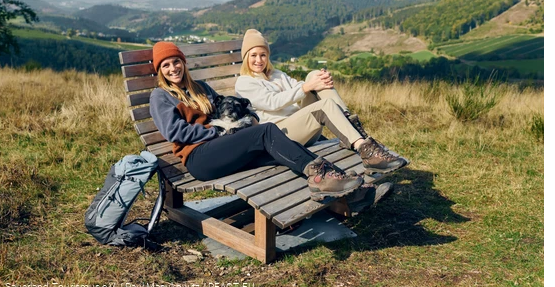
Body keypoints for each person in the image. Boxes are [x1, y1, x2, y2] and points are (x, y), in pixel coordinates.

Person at [148, 41, 365, 202]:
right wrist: (216, 132)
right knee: (266, 131)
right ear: (160, 71)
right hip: (200, 157)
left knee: (283, 151)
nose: (173, 68)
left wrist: (250, 117)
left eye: (176, 62)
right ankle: (325, 177)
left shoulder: (202, 88)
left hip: (225, 149)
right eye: (166, 65)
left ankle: (338, 183)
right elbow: (174, 132)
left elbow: (233, 107)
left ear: (183, 63)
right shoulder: (161, 96)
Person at [234, 29, 409, 176]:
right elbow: (273, 102)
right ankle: (364, 147)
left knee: (314, 75)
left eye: (263, 55)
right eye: (254, 55)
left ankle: (354, 131)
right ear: (246, 58)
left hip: (303, 128)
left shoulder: (277, 74)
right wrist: (307, 87)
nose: (259, 60)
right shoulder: (245, 82)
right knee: (322, 104)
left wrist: (319, 81)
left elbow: (300, 86)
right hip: (281, 136)